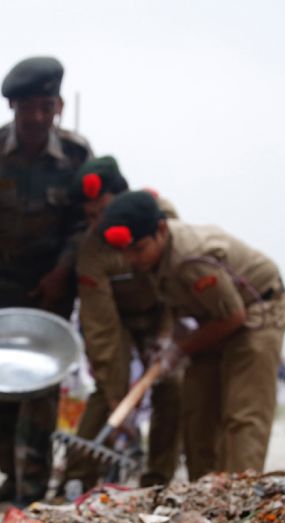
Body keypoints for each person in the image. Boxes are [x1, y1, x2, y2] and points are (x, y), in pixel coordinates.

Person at [0, 56, 92, 504]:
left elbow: (84, 225)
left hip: (52, 289)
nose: (35, 117)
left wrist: (62, 271)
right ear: (12, 106)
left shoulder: (75, 154)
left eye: (45, 107)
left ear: (58, 107)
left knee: (42, 388)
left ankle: (32, 487)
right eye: (26, 107)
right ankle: (9, 473)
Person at [99, 191, 285, 477]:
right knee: (197, 408)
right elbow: (178, 304)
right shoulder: (147, 258)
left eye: (137, 249)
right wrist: (166, 340)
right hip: (212, 318)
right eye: (125, 251)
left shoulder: (192, 258)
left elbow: (233, 316)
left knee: (242, 413)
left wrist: (179, 350)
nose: (130, 259)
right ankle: (205, 492)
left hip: (257, 310)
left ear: (161, 230)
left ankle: (242, 496)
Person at [62, 157, 182, 493]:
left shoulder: (159, 218)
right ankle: (78, 476)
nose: (99, 223)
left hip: (162, 311)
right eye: (90, 217)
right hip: (118, 321)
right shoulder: (92, 250)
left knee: (171, 383)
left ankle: (157, 479)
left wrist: (165, 340)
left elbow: (176, 285)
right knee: (108, 387)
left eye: (103, 211)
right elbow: (100, 324)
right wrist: (119, 402)